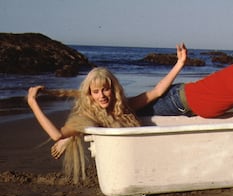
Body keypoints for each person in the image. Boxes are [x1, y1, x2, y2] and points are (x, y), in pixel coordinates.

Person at [27, 43, 187, 183]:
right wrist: (33, 103)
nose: (101, 95)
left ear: (114, 89)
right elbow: (56, 135)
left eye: (105, 89)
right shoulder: (90, 116)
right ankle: (72, 136)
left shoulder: (125, 106)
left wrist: (180, 63)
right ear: (90, 94)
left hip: (140, 158)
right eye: (96, 91)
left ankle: (72, 137)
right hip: (123, 165)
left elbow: (157, 91)